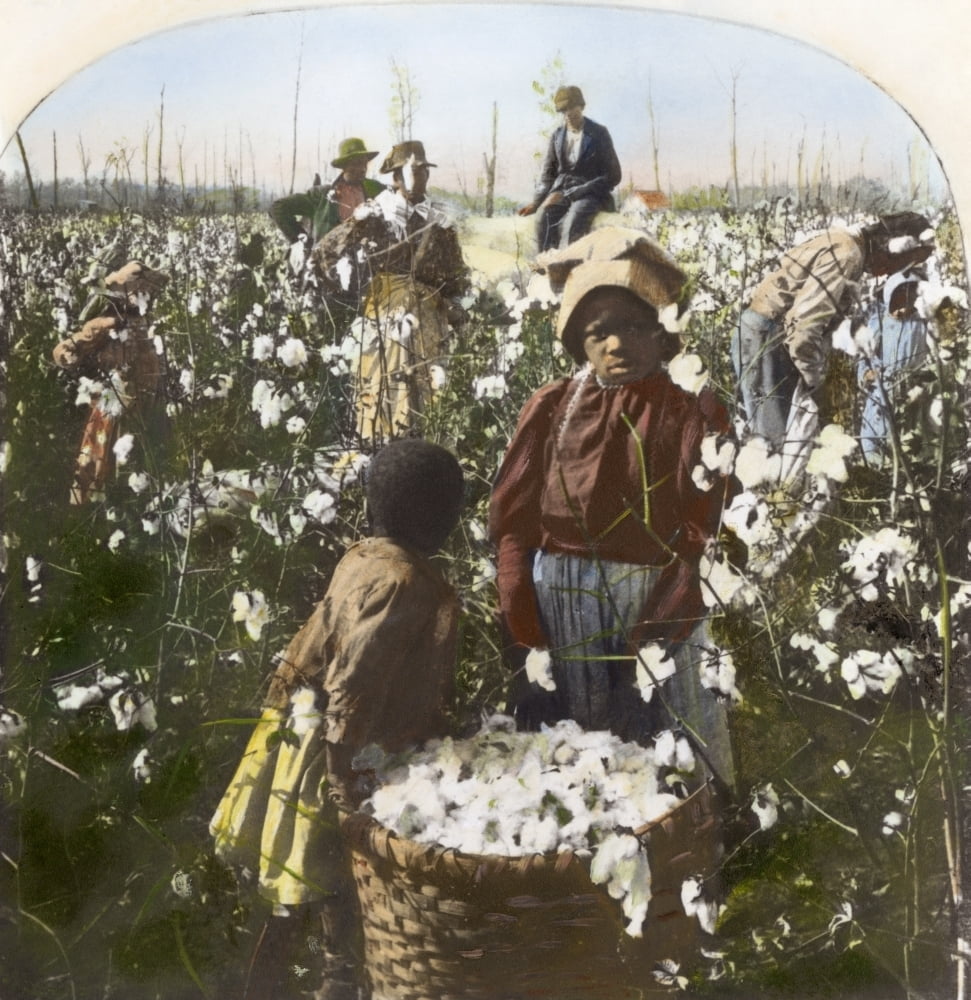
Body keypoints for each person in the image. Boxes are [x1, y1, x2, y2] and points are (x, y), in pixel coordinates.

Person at [211, 438, 465, 1000]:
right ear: (438, 518)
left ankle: (324, 975)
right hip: (335, 749)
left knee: (308, 882)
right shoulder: (405, 585)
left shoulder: (364, 556)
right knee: (320, 877)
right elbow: (354, 681)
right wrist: (342, 778)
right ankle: (328, 979)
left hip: (303, 730)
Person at [489, 228, 739, 792]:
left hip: (662, 601)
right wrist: (527, 637)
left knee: (674, 750)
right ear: (579, 343)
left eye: (631, 327)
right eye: (598, 334)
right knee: (586, 754)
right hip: (562, 604)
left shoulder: (693, 410)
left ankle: (699, 848)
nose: (616, 347)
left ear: (662, 332)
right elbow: (514, 524)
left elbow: (705, 536)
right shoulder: (552, 406)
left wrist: (650, 647)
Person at [732, 212, 934, 450]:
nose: (885, 273)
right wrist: (813, 383)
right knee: (778, 445)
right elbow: (804, 326)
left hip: (760, 333)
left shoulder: (841, 241)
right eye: (893, 265)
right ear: (885, 247)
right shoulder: (848, 254)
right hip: (767, 339)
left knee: (775, 440)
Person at [312, 140, 468, 441]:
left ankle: (423, 445)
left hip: (428, 312)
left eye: (423, 173)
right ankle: (381, 444)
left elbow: (455, 272)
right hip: (385, 308)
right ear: (396, 178)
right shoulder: (375, 213)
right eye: (413, 173)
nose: (419, 179)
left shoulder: (439, 220)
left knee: (427, 379)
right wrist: (347, 288)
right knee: (384, 374)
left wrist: (454, 302)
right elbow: (327, 252)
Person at [52, 260, 169, 505]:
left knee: (144, 456)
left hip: (149, 398)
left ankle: (138, 505)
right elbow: (71, 347)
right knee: (109, 455)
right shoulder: (108, 323)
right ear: (124, 294)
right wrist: (67, 353)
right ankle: (104, 508)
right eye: (139, 291)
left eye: (147, 292)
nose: (144, 297)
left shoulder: (147, 320)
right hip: (118, 400)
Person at [518, 85, 622, 253]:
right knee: (542, 218)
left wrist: (580, 190)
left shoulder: (599, 133)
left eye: (572, 108)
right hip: (562, 191)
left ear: (581, 106)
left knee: (572, 222)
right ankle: (545, 267)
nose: (568, 114)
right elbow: (548, 175)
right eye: (563, 110)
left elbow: (614, 175)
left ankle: (566, 268)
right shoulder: (557, 136)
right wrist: (537, 202)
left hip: (591, 193)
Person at [857, 268, 929, 464]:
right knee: (876, 428)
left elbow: (933, 356)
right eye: (898, 301)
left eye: (908, 299)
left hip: (910, 387)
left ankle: (907, 470)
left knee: (909, 435)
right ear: (890, 299)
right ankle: (877, 465)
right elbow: (864, 357)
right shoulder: (879, 323)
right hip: (883, 386)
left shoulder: (921, 324)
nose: (903, 307)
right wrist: (868, 374)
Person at [269, 137, 386, 246]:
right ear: (344, 166)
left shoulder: (374, 190)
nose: (362, 169)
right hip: (328, 262)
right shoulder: (321, 195)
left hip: (366, 261)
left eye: (364, 163)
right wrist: (300, 239)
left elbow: (398, 200)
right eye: (356, 163)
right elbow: (278, 208)